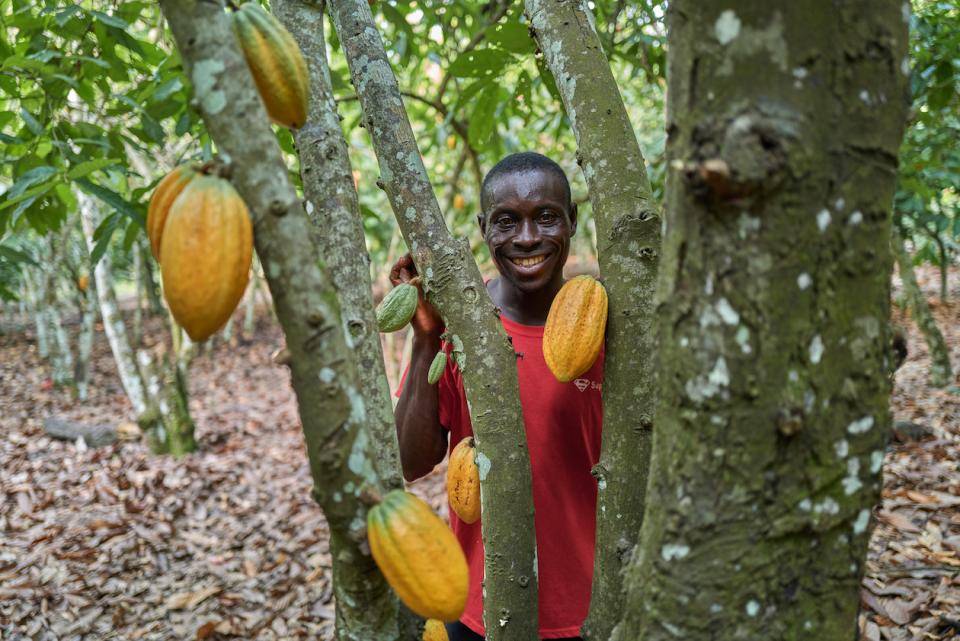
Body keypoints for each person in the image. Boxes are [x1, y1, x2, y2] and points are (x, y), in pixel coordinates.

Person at [391, 152, 603, 641]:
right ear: (485, 229)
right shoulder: (462, 327)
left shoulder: (604, 329)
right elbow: (409, 460)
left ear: (573, 220)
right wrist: (426, 338)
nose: (527, 239)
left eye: (546, 217)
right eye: (507, 222)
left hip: (589, 608)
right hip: (476, 607)